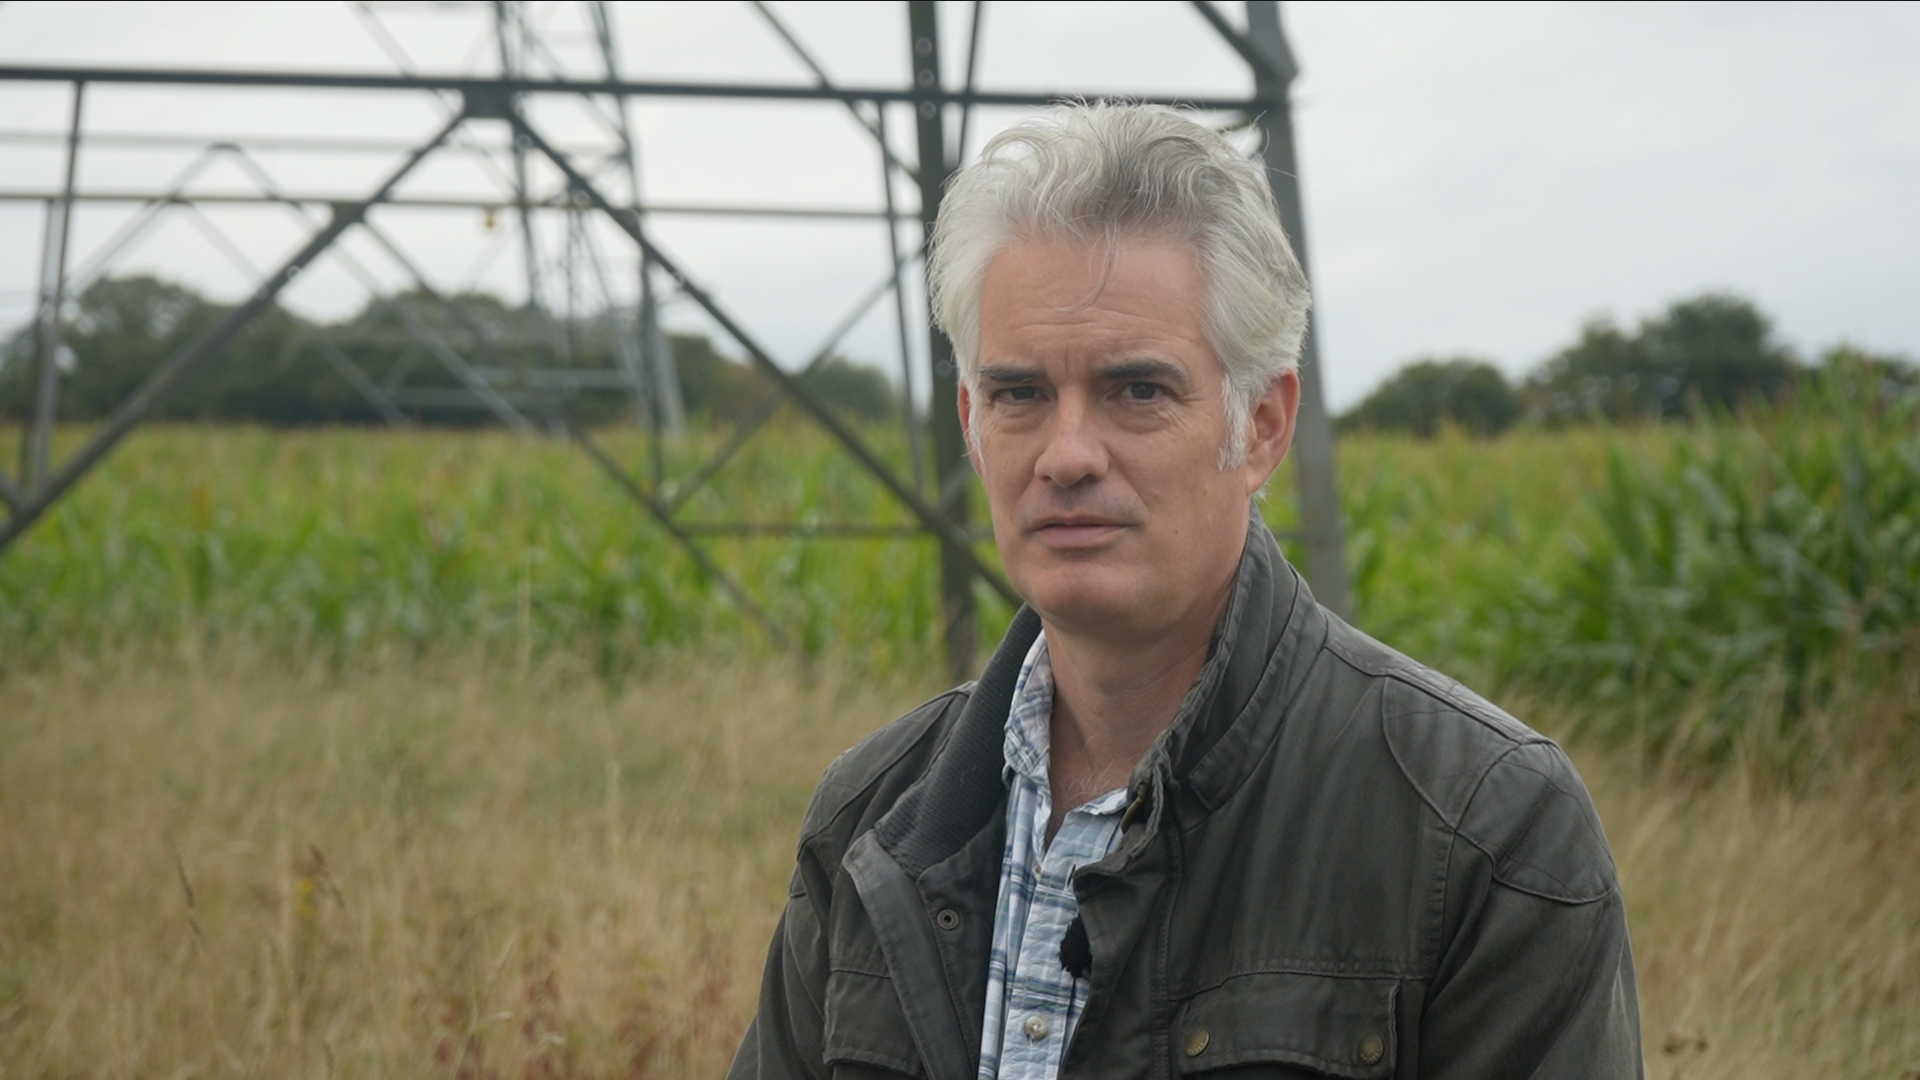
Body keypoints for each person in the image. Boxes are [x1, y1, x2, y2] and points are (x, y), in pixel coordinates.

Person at [729, 103, 1641, 1080]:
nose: (1067, 455)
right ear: (970, 420)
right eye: (1020, 394)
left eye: (1138, 390)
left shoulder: (1484, 830)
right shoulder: (871, 816)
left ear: (1260, 425)